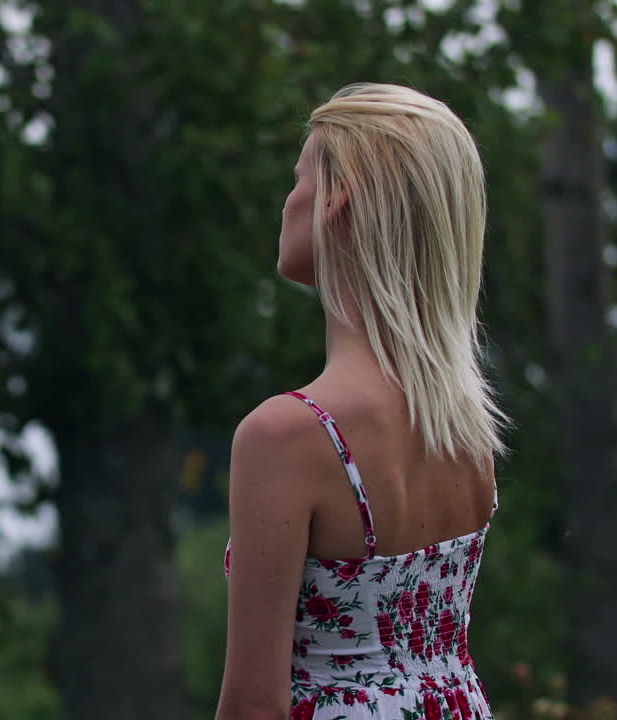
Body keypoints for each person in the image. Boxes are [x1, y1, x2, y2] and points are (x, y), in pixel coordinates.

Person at [215, 83, 507, 720]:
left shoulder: (287, 436)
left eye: (299, 179)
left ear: (336, 199)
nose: (287, 201)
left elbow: (252, 706)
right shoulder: (468, 436)